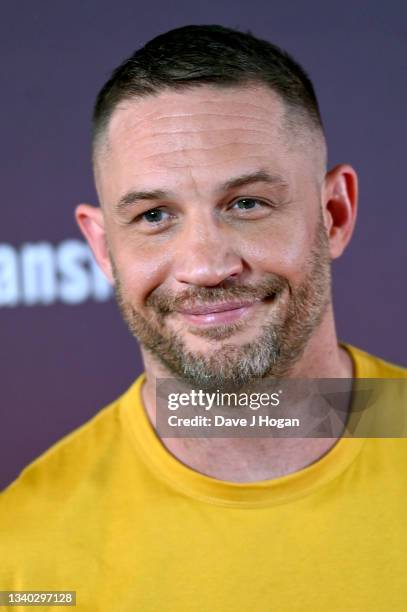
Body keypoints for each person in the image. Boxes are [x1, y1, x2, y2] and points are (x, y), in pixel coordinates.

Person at [1, 24, 406, 611]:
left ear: (334, 214)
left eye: (247, 204)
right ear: (102, 248)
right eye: (153, 216)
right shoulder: (25, 557)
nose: (206, 266)